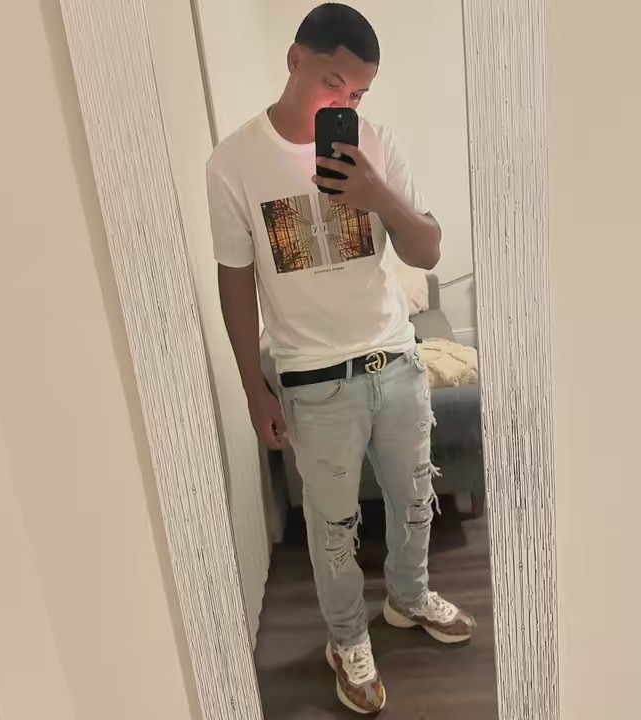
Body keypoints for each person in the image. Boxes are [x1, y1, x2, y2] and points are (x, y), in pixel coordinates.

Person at [206, 3, 476, 714]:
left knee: (415, 502)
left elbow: (427, 250)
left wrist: (375, 193)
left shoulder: (377, 145)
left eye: (358, 94)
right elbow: (236, 281)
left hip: (396, 361)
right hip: (313, 381)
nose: (345, 104)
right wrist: (253, 389)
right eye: (334, 84)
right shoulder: (232, 164)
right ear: (295, 59)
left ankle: (409, 599)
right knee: (332, 531)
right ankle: (346, 638)